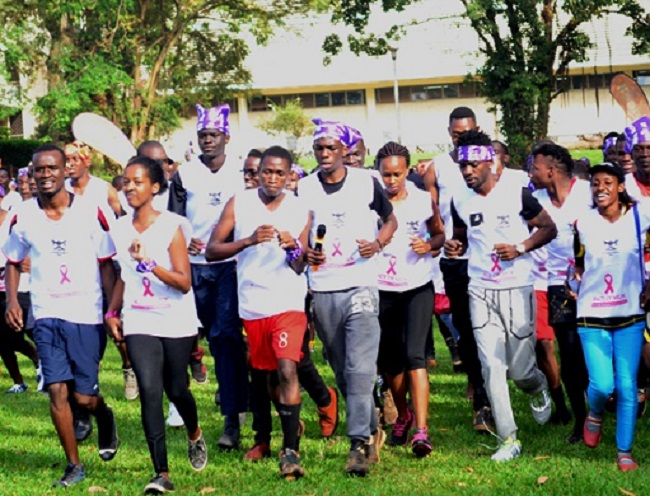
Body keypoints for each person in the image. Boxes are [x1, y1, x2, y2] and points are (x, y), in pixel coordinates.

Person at [3, 143, 119, 487]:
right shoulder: (21, 215)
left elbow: (107, 264)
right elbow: (11, 260)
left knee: (83, 396)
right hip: (46, 313)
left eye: (52, 168)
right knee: (57, 391)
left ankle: (104, 415)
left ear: (64, 171)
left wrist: (112, 310)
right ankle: (73, 465)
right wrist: (12, 300)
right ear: (32, 174)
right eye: (39, 170)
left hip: (86, 313)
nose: (46, 174)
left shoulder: (91, 211)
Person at [445, 130, 556, 462]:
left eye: (473, 165)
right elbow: (462, 236)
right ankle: (508, 438)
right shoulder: (459, 200)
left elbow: (548, 228)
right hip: (480, 289)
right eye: (462, 166)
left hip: (517, 286)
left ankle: (537, 388)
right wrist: (456, 245)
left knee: (521, 370)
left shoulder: (517, 193)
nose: (467, 172)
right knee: (491, 366)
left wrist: (519, 248)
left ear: (490, 162)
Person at [207, 146, 312, 479]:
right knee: (264, 376)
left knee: (287, 370)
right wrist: (248, 241)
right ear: (258, 171)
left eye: (280, 173)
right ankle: (263, 439)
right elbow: (212, 250)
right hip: (253, 304)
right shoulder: (240, 202)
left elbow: (299, 265)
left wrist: (293, 247)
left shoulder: (299, 208)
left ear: (289, 175)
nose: (272, 178)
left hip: (288, 303)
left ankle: (291, 450)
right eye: (267, 171)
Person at [300, 118, 398, 476]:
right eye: (319, 149)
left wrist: (378, 243)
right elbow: (302, 234)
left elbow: (391, 221)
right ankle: (371, 427)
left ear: (344, 151)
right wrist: (305, 252)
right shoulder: (305, 188)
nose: (325, 154)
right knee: (342, 370)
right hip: (324, 289)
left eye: (331, 148)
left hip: (360, 285)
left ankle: (357, 443)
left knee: (359, 368)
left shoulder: (365, 183)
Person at [106, 156, 207, 493]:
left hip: (176, 320)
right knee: (150, 390)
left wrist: (149, 263)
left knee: (176, 389)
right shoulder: (119, 228)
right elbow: (123, 275)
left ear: (155, 187)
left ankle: (194, 432)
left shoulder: (172, 226)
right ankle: (161, 472)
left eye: (137, 182)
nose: (129, 187)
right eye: (126, 181)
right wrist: (112, 311)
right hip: (139, 319)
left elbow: (183, 282)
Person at [168, 103, 249, 449]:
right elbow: (174, 218)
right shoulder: (184, 174)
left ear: (226, 137)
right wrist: (187, 240)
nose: (208, 141)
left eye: (214, 135)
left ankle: (232, 420)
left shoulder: (241, 171)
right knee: (199, 340)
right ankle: (202, 401)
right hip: (195, 268)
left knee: (226, 337)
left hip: (230, 266)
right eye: (203, 135)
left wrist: (227, 242)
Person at [570, 161, 648, 472]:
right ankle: (596, 412)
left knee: (627, 386)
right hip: (592, 312)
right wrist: (572, 282)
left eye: (607, 182)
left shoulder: (642, 216)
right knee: (602, 385)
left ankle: (624, 451)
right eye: (595, 183)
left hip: (630, 311)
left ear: (619, 186)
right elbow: (575, 263)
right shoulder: (583, 223)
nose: (600, 188)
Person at [423, 106, 493, 431]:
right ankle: (481, 397)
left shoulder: (492, 162)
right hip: (456, 260)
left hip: (491, 262)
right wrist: (445, 239)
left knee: (490, 330)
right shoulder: (439, 166)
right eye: (456, 134)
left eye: (467, 132)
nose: (462, 138)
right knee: (464, 327)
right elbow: (432, 207)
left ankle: (490, 384)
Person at [375, 141, 445, 457]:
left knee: (416, 356)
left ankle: (421, 431)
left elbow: (440, 235)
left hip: (417, 286)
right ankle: (402, 416)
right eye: (386, 174)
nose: (392, 181)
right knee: (391, 362)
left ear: (407, 171)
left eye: (397, 174)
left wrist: (429, 245)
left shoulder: (422, 200)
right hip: (381, 288)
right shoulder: (370, 200)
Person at [63, 140, 136, 404]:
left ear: (86, 161)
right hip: (76, 268)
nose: (69, 164)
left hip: (108, 264)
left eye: (73, 159)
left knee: (114, 322)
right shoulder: (61, 192)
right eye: (66, 159)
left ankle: (129, 367)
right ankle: (86, 380)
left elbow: (124, 219)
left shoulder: (103, 190)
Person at [528, 142, 591, 444]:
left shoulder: (588, 193)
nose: (531, 172)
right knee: (567, 352)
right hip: (558, 286)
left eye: (535, 167)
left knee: (593, 351)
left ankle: (607, 402)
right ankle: (580, 421)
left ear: (551, 170)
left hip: (593, 282)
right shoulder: (534, 199)